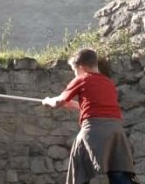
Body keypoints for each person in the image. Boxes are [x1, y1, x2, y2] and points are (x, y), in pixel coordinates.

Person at [41, 48, 138, 184]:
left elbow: (58, 101)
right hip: (116, 131)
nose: (75, 74)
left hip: (94, 130)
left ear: (81, 67)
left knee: (79, 163)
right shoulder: (109, 83)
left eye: (74, 71)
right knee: (118, 170)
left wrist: (48, 101)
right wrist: (75, 105)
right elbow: (98, 107)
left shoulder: (82, 79)